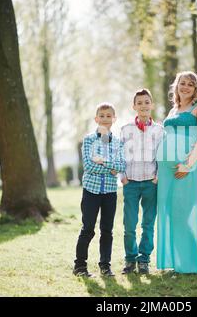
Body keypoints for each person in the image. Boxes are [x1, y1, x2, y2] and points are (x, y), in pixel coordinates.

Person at [156, 71, 197, 274]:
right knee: (170, 213)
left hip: (186, 168)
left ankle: (190, 264)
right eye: (182, 83)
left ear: (196, 88)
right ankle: (177, 261)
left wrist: (187, 165)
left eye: (190, 84)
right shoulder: (174, 110)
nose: (186, 87)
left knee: (183, 212)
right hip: (166, 170)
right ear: (176, 86)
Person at [73, 103, 126, 277]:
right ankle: (80, 266)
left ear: (114, 119)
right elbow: (88, 166)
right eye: (101, 116)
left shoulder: (118, 142)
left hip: (110, 192)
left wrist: (103, 162)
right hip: (91, 191)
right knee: (88, 228)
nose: (105, 119)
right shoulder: (89, 139)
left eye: (108, 116)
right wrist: (110, 167)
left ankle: (105, 266)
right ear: (96, 119)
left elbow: (120, 165)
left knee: (107, 230)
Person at [120, 89, 164, 274]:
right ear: (134, 107)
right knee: (129, 224)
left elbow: (162, 156)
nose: (143, 106)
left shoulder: (159, 130)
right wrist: (122, 175)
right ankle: (130, 259)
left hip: (150, 183)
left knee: (148, 223)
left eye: (147, 102)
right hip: (130, 182)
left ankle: (144, 259)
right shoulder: (126, 129)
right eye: (140, 103)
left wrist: (159, 176)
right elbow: (120, 154)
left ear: (151, 105)